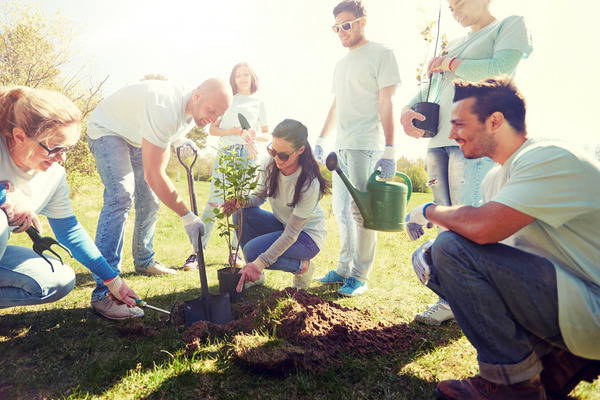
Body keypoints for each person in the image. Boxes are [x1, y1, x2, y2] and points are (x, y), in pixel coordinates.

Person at [406, 76, 600, 399]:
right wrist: (434, 253)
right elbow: (493, 252)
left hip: (593, 305)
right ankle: (557, 359)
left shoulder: (546, 156)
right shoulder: (496, 178)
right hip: (571, 299)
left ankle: (514, 385)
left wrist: (429, 210)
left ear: (495, 121)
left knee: (451, 249)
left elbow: (482, 227)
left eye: (459, 124)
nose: (452, 134)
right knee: (445, 257)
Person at [400, 0, 533, 325]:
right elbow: (430, 85)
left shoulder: (510, 24)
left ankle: (486, 304)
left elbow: (501, 68)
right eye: (450, 4)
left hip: (473, 140)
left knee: (470, 218)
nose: (454, 7)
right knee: (447, 222)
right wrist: (408, 108)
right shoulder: (454, 44)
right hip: (438, 141)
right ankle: (453, 300)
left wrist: (452, 63)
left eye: (460, 1)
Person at [0, 86, 143, 320]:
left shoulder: (53, 176)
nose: (62, 158)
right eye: (55, 148)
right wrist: (5, 197)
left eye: (68, 148)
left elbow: (69, 231)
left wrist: (112, 280)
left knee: (59, 280)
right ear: (19, 137)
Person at [86, 78, 231, 291]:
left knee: (150, 200)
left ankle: (144, 261)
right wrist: (188, 217)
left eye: (218, 115)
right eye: (211, 111)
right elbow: (154, 175)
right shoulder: (166, 108)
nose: (212, 119)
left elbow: (166, 132)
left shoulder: (194, 108)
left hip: (135, 135)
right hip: (108, 129)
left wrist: (178, 139)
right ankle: (107, 280)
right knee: (121, 194)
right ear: (198, 95)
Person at [313, 0, 401, 296]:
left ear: (363, 21)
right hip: (342, 147)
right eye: (336, 27)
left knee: (361, 212)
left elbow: (386, 103)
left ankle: (359, 277)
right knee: (340, 210)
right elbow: (337, 105)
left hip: (366, 145)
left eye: (346, 25)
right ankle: (343, 268)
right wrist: (321, 139)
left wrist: (390, 148)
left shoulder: (382, 54)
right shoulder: (341, 64)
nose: (341, 32)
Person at [186, 62, 268, 274]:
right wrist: (232, 130)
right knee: (214, 201)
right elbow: (213, 130)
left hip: (250, 157)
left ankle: (236, 251)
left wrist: (250, 134)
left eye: (245, 74)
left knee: (241, 205)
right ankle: (198, 252)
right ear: (233, 78)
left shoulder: (259, 103)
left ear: (252, 77)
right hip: (227, 154)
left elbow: (267, 134)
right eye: (238, 75)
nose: (242, 78)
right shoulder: (228, 100)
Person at [233, 119, 330, 292]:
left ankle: (304, 267)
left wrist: (260, 262)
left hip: (307, 237)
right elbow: (259, 196)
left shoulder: (309, 183)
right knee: (240, 214)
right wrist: (241, 201)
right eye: (272, 151)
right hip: (283, 224)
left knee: (252, 252)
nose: (277, 158)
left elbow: (292, 233)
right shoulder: (270, 165)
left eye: (283, 155)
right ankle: (257, 276)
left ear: (300, 150)